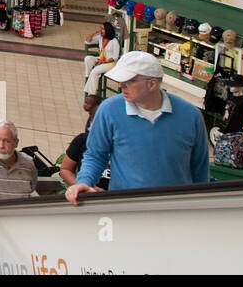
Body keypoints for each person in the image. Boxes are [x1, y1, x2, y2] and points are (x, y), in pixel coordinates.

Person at [66, 51, 208, 204]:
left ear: (152, 84)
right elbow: (95, 155)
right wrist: (84, 182)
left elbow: (200, 167)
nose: (121, 85)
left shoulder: (190, 116)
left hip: (175, 210)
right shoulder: (109, 110)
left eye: (129, 81)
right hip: (125, 207)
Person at [59, 101, 110, 190]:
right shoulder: (83, 140)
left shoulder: (125, 146)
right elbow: (65, 169)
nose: (90, 129)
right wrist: (82, 187)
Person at [83, 20, 121, 96]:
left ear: (107, 30)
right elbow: (87, 41)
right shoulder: (100, 38)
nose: (101, 30)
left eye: (102, 29)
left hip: (110, 63)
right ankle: (88, 75)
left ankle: (92, 94)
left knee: (94, 72)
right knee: (88, 58)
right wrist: (94, 33)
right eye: (100, 28)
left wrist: (103, 62)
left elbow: (115, 57)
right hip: (101, 59)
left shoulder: (114, 41)